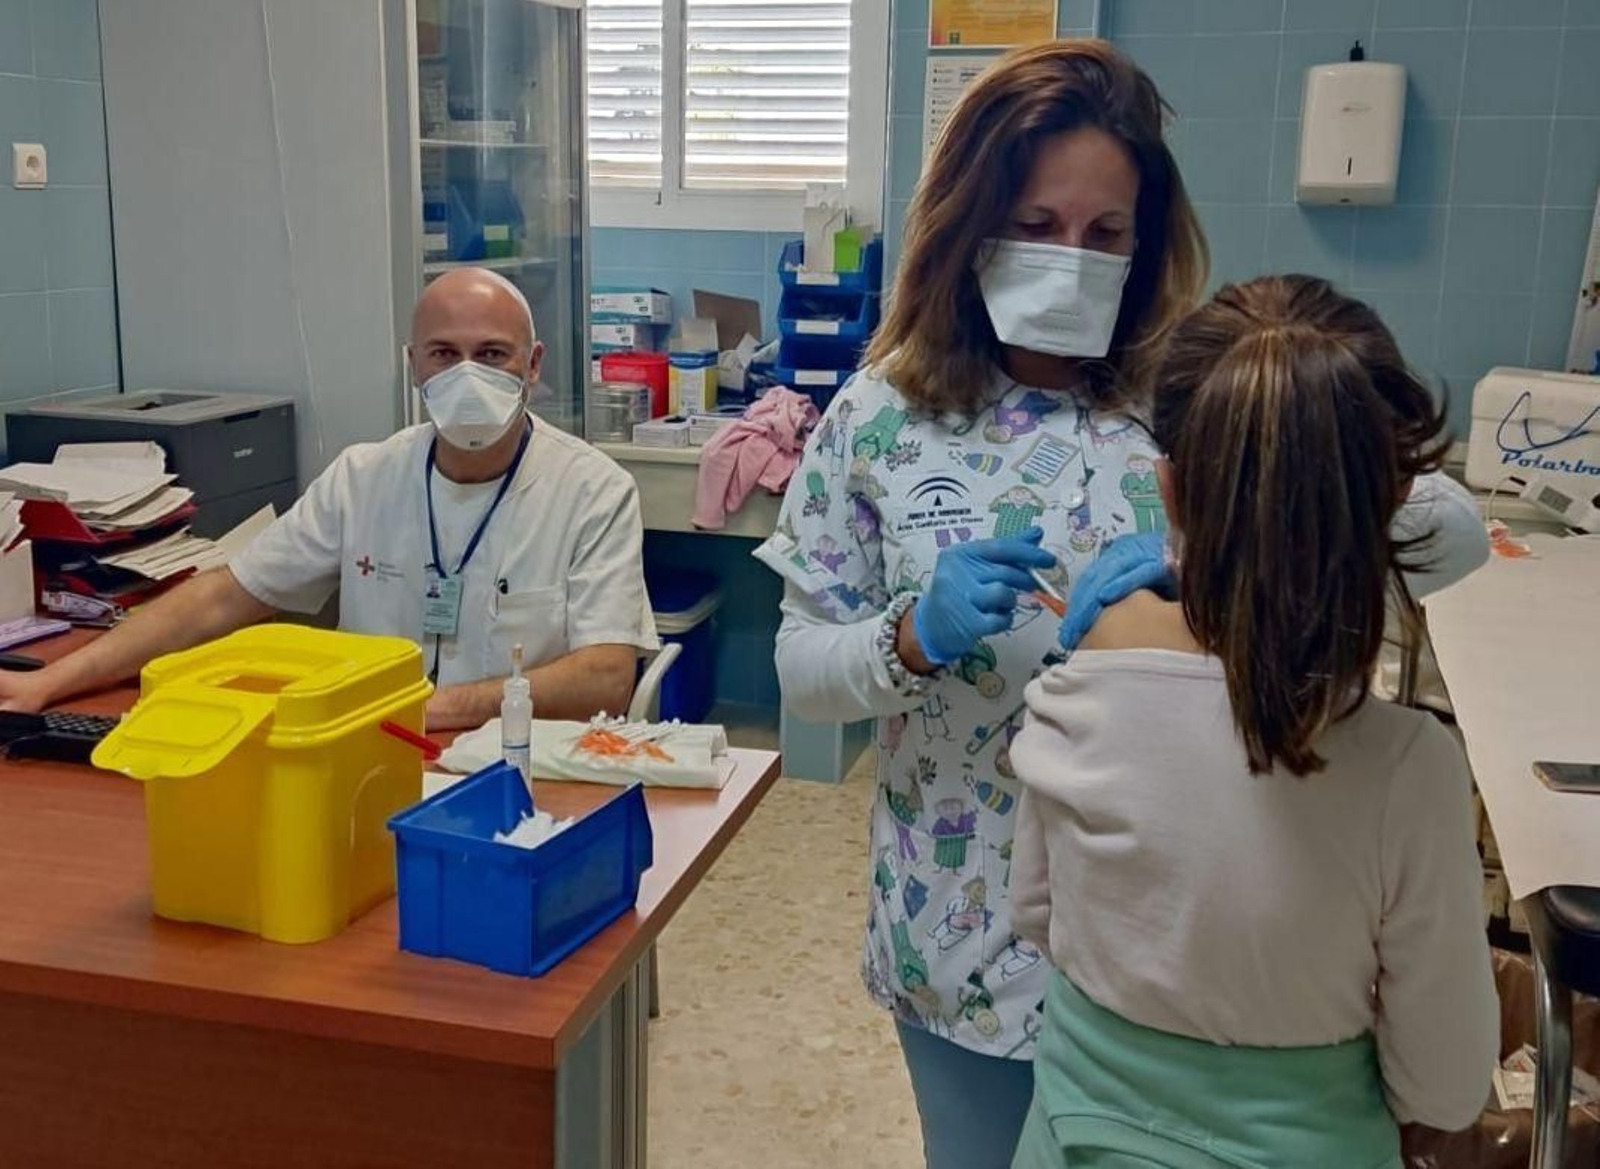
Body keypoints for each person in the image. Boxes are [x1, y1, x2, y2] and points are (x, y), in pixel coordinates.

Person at [754, 40, 1489, 1169]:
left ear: (1147, 243)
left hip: (1200, 955)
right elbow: (801, 670)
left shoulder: (1200, 394)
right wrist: (912, 636)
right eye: (1039, 226)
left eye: (1106, 234)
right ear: (967, 226)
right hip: (965, 921)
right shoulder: (879, 418)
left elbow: (1449, 531)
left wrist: (1227, 539)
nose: (1071, 258)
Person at [1008, 276, 1498, 1168]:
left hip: (1074, 1139)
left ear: (1168, 489)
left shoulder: (1071, 698)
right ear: (1389, 503)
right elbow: (1446, 1084)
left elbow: (1036, 914)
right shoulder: (1405, 770)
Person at [1, 268, 657, 729]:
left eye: (492, 353)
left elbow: (604, 676)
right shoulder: (365, 477)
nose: (467, 374)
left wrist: (438, 709)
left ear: (533, 364)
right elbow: (224, 595)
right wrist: (49, 682)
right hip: (364, 755)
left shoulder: (593, 490)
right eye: (443, 353)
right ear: (414, 365)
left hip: (521, 767)